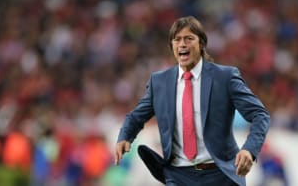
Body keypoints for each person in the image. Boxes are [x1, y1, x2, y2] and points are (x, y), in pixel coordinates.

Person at [114, 16, 270, 186]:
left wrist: (249, 149)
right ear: (172, 46)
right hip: (178, 176)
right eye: (177, 39)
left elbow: (260, 114)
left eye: (189, 38)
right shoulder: (159, 82)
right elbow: (136, 117)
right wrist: (125, 136)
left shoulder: (225, 77)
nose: (182, 44)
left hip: (220, 175)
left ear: (202, 43)